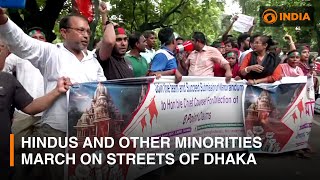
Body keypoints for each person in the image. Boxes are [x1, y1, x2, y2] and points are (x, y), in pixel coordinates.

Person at [0, 9, 106, 179]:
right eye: (80, 30)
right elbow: (21, 42)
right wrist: (3, 20)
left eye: (87, 31)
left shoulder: (92, 61)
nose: (86, 35)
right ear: (64, 32)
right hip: (56, 132)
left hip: (86, 134)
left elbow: (104, 88)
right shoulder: (51, 52)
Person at [0, 71, 71, 179]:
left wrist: (57, 91)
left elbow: (30, 106)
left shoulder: (7, 79)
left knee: (12, 168)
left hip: (6, 158)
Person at [2, 27, 47, 149]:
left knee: (42, 153)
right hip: (22, 111)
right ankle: (10, 168)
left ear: (46, 40)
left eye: (41, 37)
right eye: (34, 38)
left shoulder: (52, 56)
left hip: (46, 113)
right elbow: (4, 73)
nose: (38, 40)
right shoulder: (18, 55)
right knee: (13, 148)